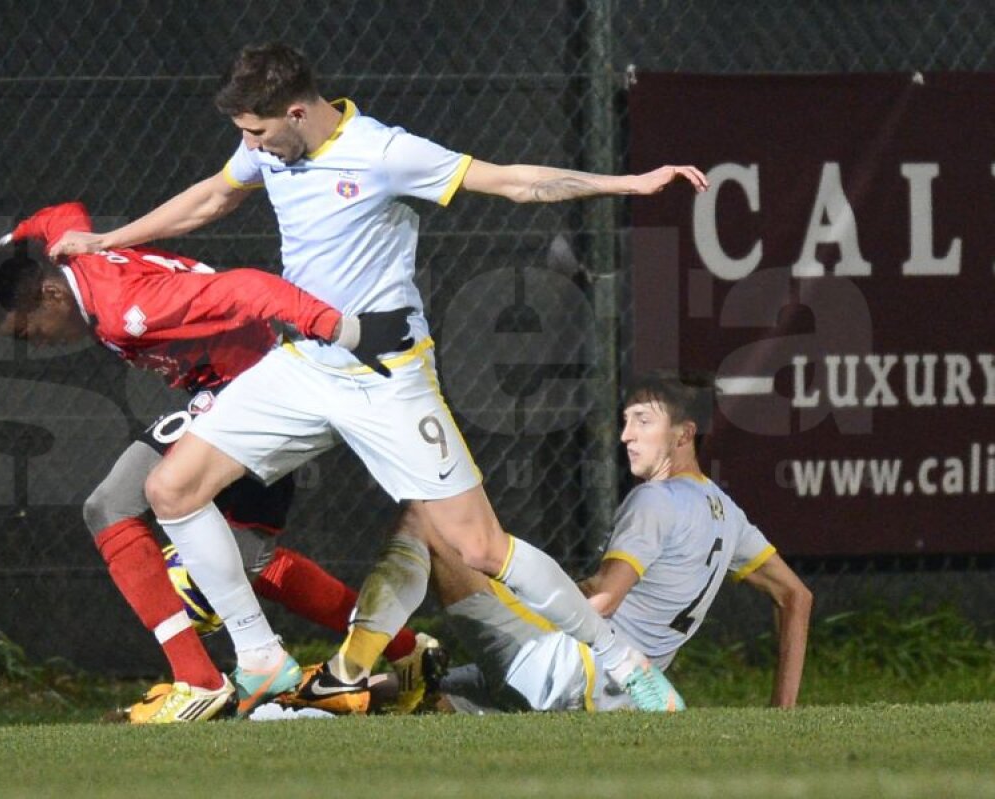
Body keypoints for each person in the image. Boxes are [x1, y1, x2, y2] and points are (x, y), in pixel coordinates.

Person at [49, 42, 708, 713]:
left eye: (256, 131)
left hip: (387, 376)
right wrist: (108, 241)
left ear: (297, 112)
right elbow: (215, 196)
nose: (249, 146)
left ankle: (626, 662)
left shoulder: (385, 154)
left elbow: (510, 180)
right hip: (304, 366)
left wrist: (628, 183)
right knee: (172, 487)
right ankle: (261, 659)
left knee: (480, 547)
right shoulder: (268, 146)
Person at [0, 201, 429, 722]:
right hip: (230, 388)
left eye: (28, 332)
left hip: (258, 393)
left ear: (50, 295)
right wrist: (9, 246)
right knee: (249, 562)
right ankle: (407, 651)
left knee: (112, 506)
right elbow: (61, 214)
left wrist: (344, 331)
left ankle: (200, 678)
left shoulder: (126, 309)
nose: (37, 344)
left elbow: (250, 288)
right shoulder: (72, 255)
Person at [429, 373, 813, 713]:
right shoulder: (727, 514)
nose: (626, 435)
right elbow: (797, 597)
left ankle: (367, 649)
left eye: (643, 422)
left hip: (568, 672)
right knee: (415, 694)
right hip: (614, 699)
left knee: (432, 522)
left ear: (684, 434)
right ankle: (389, 681)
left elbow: (604, 599)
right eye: (627, 421)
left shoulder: (657, 499)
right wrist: (782, 710)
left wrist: (524, 596)